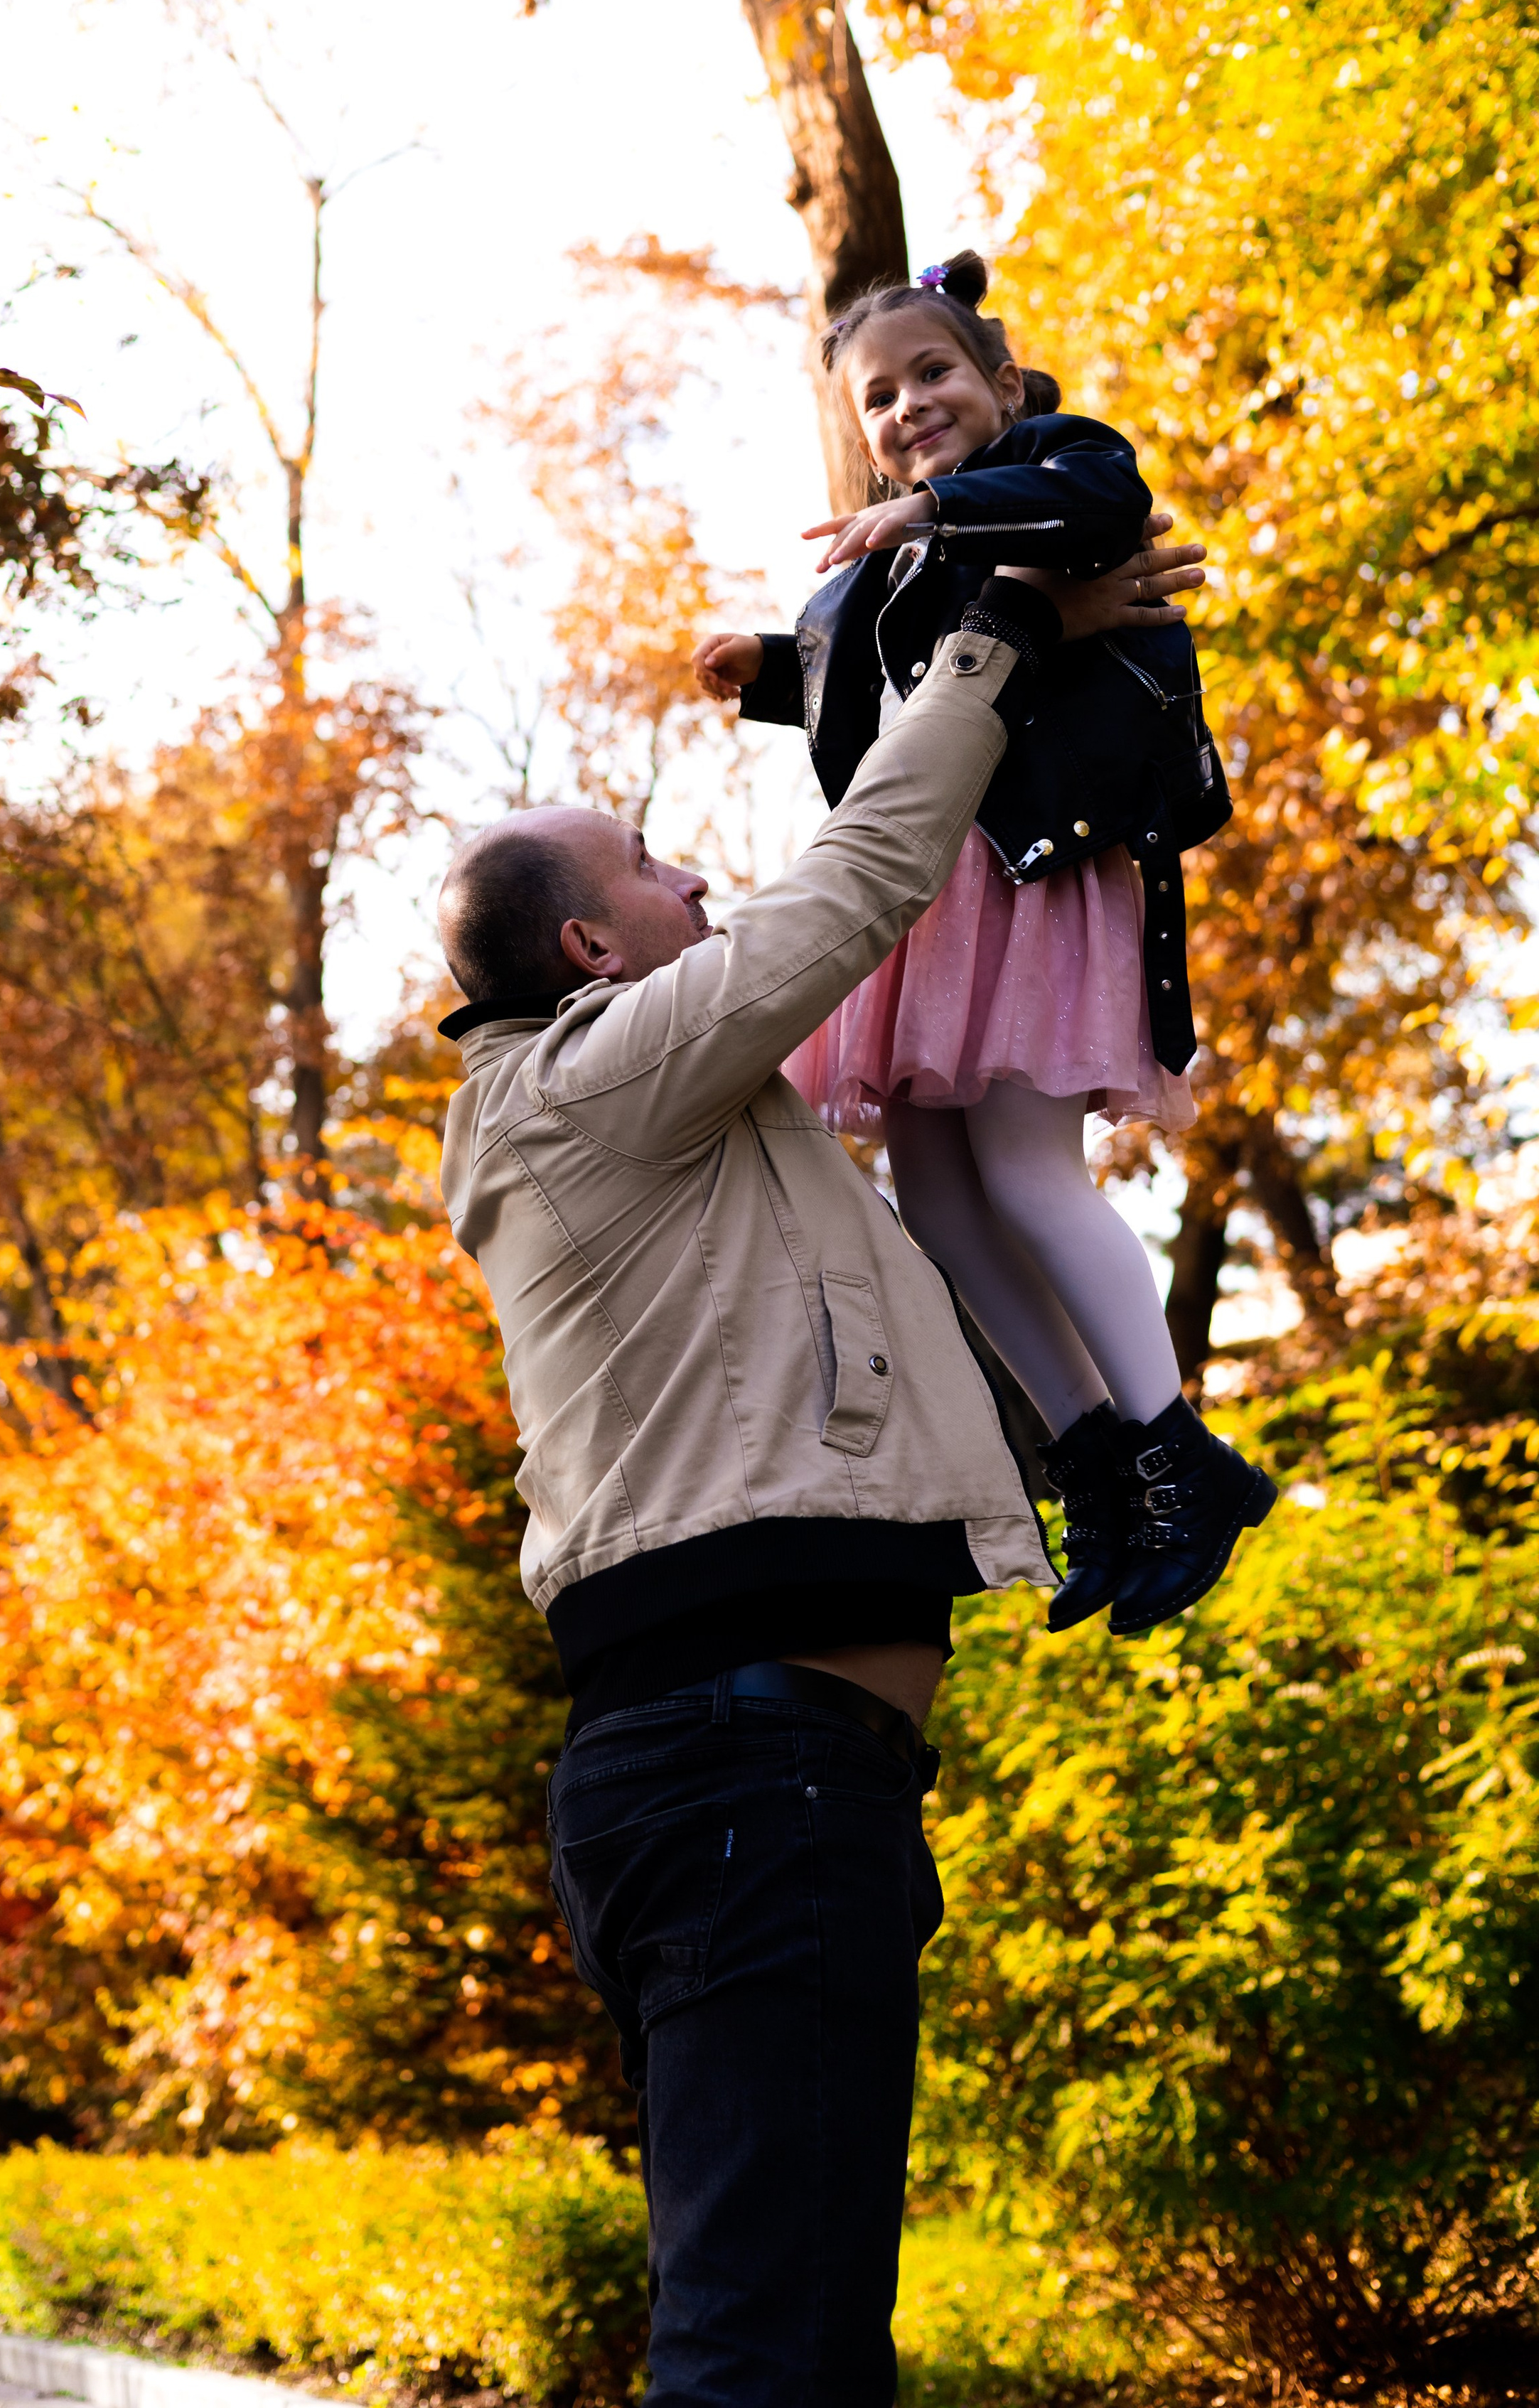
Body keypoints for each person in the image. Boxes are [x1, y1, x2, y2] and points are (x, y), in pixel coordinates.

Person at [434, 545, 1193, 2407]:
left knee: (790, 2338)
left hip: (764, 1777)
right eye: (652, 866)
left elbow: (919, 1288)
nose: (699, 873)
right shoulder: (594, 1078)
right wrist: (1001, 635)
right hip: (741, 1778)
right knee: (765, 2357)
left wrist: (1112, 1455)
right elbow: (858, 888)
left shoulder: (684, 1134)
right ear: (591, 954)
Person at [694, 251, 1275, 1638]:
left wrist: (932, 509)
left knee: (1021, 1170)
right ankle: (1093, 1460)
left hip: (1023, 874)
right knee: (939, 1199)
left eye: (932, 375)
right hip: (918, 902)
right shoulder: (893, 568)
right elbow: (887, 683)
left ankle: (1173, 1447)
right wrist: (768, 669)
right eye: (877, 397)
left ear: (1002, 383)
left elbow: (1090, 508)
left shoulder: (1049, 469)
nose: (905, 407)